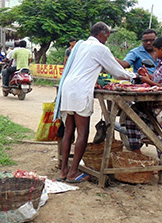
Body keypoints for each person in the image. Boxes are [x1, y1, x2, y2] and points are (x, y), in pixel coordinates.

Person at [55, 22, 137, 183]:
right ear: (101, 34)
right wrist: (135, 76)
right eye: (107, 35)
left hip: (67, 89)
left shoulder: (80, 46)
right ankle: (73, 172)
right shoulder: (100, 48)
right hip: (80, 91)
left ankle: (64, 171)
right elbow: (117, 72)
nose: (107, 38)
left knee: (68, 131)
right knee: (83, 132)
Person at [125, 36, 162, 157]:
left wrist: (148, 81)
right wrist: (148, 76)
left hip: (159, 106)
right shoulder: (159, 64)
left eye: (156, 51)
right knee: (132, 114)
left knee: (158, 133)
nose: (155, 54)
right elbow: (158, 81)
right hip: (153, 104)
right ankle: (137, 152)